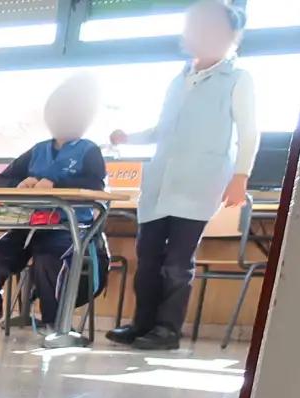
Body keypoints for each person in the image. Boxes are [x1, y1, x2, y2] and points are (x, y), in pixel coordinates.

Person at [106, 0, 259, 351]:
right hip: (161, 184)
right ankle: (142, 324)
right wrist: (130, 138)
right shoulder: (179, 79)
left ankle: (167, 329)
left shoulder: (238, 79)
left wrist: (241, 176)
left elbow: (249, 132)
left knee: (177, 262)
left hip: (199, 183)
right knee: (147, 259)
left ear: (231, 36)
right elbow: (163, 129)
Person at [0, 74, 109, 337]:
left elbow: (95, 184)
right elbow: (1, 181)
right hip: (30, 225)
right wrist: (21, 184)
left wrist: (56, 185)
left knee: (47, 261)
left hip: (69, 228)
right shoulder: (38, 150)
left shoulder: (89, 151)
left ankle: (56, 323)